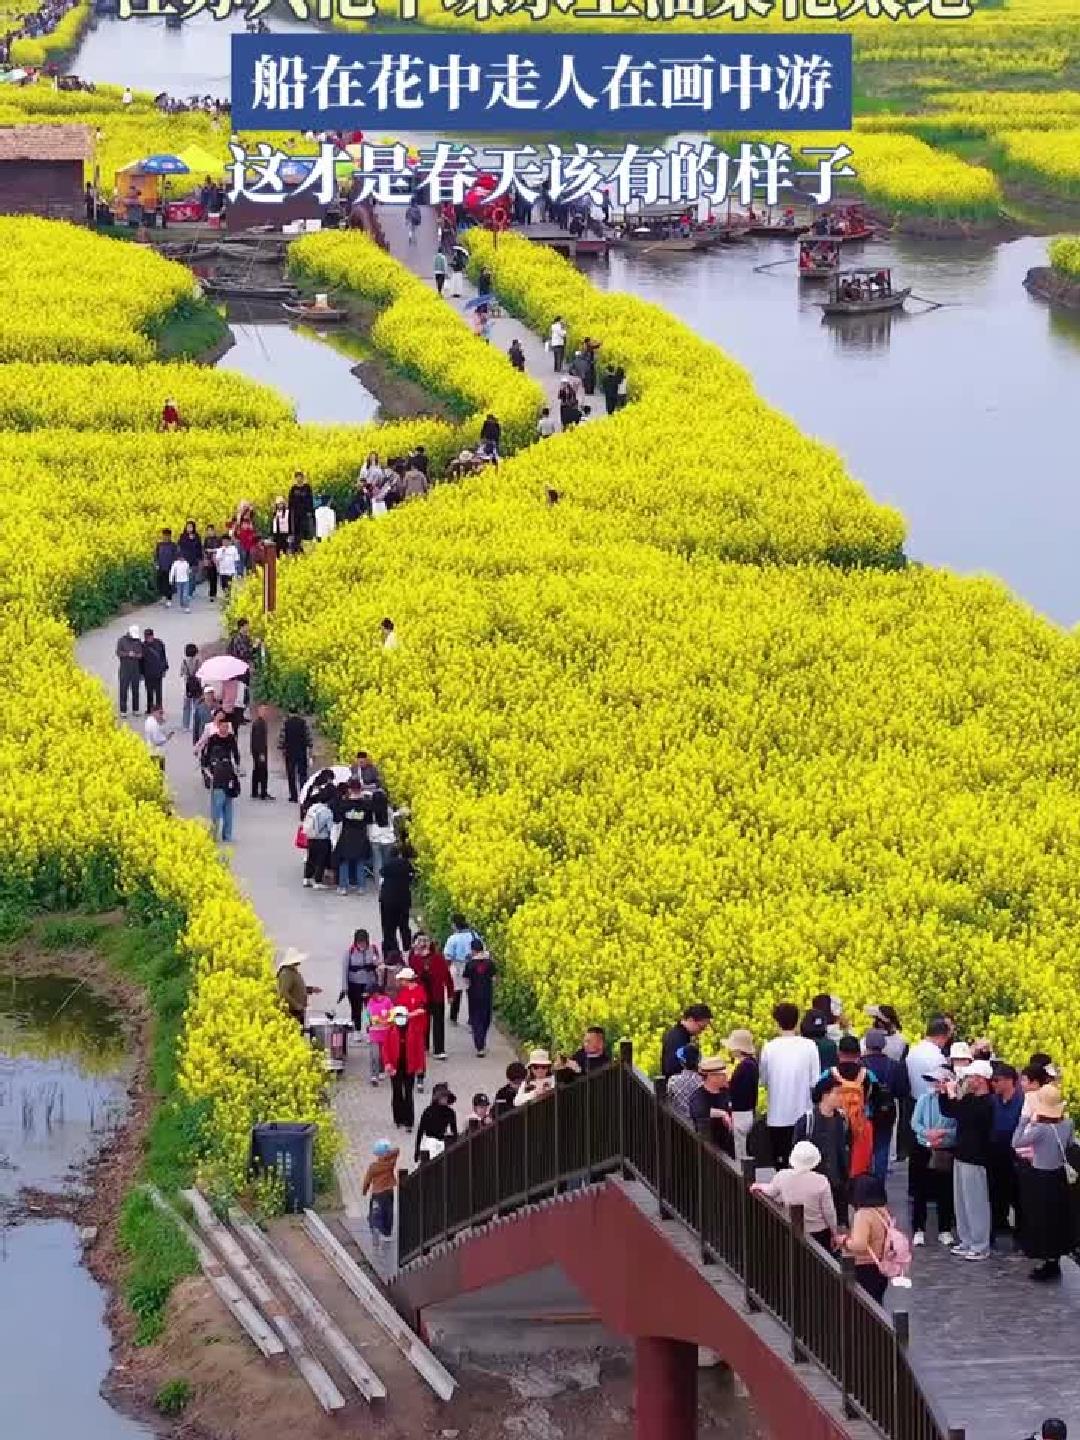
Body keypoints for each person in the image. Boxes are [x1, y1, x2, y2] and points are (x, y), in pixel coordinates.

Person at [1013, 1085, 1075, 1282]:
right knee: (1056, 1220)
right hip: (1059, 1177)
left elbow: (1016, 1142)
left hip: (1040, 1178)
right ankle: (1054, 1259)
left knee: (1040, 1220)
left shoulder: (1040, 1130)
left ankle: (1046, 1260)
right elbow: (1069, 1145)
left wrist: (1023, 1120)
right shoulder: (1068, 1124)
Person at [938, 1058, 994, 1260]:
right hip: (961, 1154)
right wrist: (945, 1094)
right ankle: (966, 1239)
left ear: (980, 1079)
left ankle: (980, 1244)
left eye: (970, 1077)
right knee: (961, 1201)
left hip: (976, 1157)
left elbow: (967, 1116)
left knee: (975, 1202)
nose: (967, 1080)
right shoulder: (970, 1099)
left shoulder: (987, 1103)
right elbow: (951, 1111)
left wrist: (953, 1094)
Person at [760, 1001, 822, 1170]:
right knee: (803, 1165)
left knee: (781, 1165)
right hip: (803, 1115)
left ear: (776, 1022)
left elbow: (763, 1080)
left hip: (776, 1116)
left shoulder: (769, 1048)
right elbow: (815, 1082)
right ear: (797, 1021)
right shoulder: (810, 1046)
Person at [752, 1141, 839, 1251]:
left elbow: (771, 1191)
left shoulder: (783, 1175)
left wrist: (758, 1186)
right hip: (818, 1231)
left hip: (792, 1227)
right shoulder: (821, 1181)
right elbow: (829, 1211)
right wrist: (834, 1233)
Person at [909, 1065, 957, 1247]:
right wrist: (927, 1134)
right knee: (920, 1191)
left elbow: (958, 1127)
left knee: (945, 1191)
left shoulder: (954, 1102)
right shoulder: (924, 1099)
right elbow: (915, 1122)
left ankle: (944, 1230)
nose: (936, 1084)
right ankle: (918, 1229)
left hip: (945, 1150)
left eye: (940, 1081)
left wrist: (943, 1134)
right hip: (923, 1148)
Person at [794, 1075, 851, 1227]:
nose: (841, 1097)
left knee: (838, 1225)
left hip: (837, 1183)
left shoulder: (842, 1120)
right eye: (837, 1093)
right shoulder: (807, 1121)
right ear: (825, 1095)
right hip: (813, 1184)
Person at [861, 1028, 910, 1183]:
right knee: (882, 1148)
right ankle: (878, 1185)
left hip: (864, 1111)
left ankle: (865, 1184)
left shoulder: (860, 1064)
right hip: (887, 1110)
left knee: (865, 1148)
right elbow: (903, 1091)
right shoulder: (895, 1066)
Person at [841, 1174, 898, 1304]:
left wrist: (844, 1241)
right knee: (877, 1304)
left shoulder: (863, 1214)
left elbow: (859, 1244)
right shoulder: (883, 1211)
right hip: (881, 1264)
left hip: (864, 1267)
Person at [989, 1061, 1024, 1247]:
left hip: (1014, 1153)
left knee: (1017, 1195)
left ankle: (1021, 1235)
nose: (993, 1084)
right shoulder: (993, 1101)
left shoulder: (1022, 1101)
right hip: (995, 1152)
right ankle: (998, 1225)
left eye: (997, 1080)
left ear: (1009, 1081)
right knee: (996, 1192)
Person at [198, 713, 241, 843]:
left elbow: (236, 755)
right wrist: (208, 773)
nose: (224, 729)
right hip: (217, 777)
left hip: (229, 775)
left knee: (228, 807)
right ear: (218, 726)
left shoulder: (231, 739)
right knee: (216, 807)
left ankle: (227, 834)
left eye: (226, 727)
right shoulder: (213, 739)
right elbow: (205, 758)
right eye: (222, 726)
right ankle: (214, 834)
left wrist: (237, 769)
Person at [411, 933, 452, 1061]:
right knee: (423, 1022)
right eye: (420, 941)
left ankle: (439, 1049)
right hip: (421, 996)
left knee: (438, 1023)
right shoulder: (414, 959)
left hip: (437, 995)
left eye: (426, 941)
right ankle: (423, 1046)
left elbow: (447, 976)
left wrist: (450, 993)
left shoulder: (438, 958)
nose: (423, 944)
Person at [382, 1006, 423, 1131]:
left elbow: (419, 1049)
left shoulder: (414, 1030)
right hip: (395, 1066)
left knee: (409, 1094)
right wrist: (387, 1063)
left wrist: (420, 1067)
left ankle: (409, 1121)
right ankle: (398, 1119)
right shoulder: (391, 1030)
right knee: (397, 1092)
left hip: (409, 1066)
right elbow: (385, 1049)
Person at [721, 1028, 759, 1161]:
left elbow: (739, 1091)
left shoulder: (746, 1066)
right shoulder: (751, 1064)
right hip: (747, 1112)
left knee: (740, 1151)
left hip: (741, 1113)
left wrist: (727, 1085)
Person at [332, 778, 373, 893]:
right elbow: (369, 820)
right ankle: (361, 887)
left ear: (349, 789)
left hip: (347, 834)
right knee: (360, 861)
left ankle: (343, 887)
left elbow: (337, 818)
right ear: (361, 789)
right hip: (361, 835)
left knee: (344, 861)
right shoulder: (366, 804)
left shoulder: (344, 804)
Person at [392, 964, 429, 1090]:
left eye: (402, 979)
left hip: (418, 1027)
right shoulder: (403, 992)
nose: (400, 982)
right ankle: (409, 1072)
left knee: (419, 1052)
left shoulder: (420, 990)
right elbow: (397, 1007)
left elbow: (423, 1009)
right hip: (405, 1028)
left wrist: (409, 1015)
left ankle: (420, 1077)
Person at [688, 1056, 733, 1156]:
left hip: (729, 1148)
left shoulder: (726, 1092)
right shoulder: (699, 1096)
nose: (726, 1077)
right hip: (710, 1151)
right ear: (711, 1076)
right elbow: (699, 1111)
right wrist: (722, 1114)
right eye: (722, 1075)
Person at [340, 927, 382, 1031]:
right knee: (356, 1009)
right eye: (359, 943)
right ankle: (357, 1030)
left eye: (364, 942)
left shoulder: (373, 949)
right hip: (354, 984)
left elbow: (380, 965)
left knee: (370, 1009)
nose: (362, 945)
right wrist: (345, 988)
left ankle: (370, 1029)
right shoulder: (350, 952)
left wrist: (375, 966)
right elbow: (345, 970)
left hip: (370, 984)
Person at [660, 1003, 713, 1078]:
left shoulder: (681, 1035)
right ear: (690, 1020)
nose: (701, 1031)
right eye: (701, 1027)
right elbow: (673, 1068)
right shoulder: (677, 1037)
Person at [462, 938, 496, 1057]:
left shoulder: (470, 964)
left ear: (473, 950)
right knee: (486, 1019)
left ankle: (480, 1046)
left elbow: (466, 979)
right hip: (487, 995)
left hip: (473, 996)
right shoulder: (490, 963)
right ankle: (482, 1042)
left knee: (476, 1020)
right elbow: (494, 978)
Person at [443, 913, 477, 1025]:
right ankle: (472, 1019)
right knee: (471, 993)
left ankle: (453, 1018)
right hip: (472, 965)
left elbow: (448, 955)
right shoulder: (474, 935)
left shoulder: (453, 938)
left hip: (457, 966)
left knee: (456, 992)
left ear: (455, 924)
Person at [379, 843, 413, 954]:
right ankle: (407, 948)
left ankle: (392, 950)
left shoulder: (387, 865)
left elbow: (382, 873)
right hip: (403, 901)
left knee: (389, 928)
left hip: (387, 900)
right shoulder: (406, 864)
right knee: (404, 926)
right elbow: (412, 877)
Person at [362, 1139, 398, 1244]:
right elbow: (397, 1150)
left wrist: (364, 1190)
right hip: (388, 1192)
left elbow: (367, 1179)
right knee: (388, 1212)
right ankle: (387, 1233)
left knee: (375, 1211)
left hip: (376, 1193)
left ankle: (375, 1226)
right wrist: (387, 1153)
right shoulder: (390, 1163)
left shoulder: (373, 1167)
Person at [415, 1082, 458, 1162]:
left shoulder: (450, 1112)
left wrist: (455, 1146)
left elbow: (454, 1131)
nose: (444, 1099)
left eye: (446, 1096)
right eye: (442, 1097)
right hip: (429, 1143)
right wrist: (417, 1150)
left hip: (442, 1142)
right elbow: (420, 1131)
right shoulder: (428, 1111)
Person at [276, 948, 319, 1027]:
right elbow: (283, 992)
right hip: (292, 1013)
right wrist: (296, 1005)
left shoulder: (293, 971)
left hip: (299, 1012)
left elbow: (297, 988)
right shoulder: (286, 974)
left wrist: (311, 989)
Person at [301, 794, 334, 887]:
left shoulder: (312, 807)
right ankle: (317, 881)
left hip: (311, 836)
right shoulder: (327, 811)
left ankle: (307, 878)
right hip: (322, 839)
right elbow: (329, 827)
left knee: (310, 858)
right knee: (320, 860)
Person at [281, 706, 312, 802]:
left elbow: (282, 738)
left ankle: (293, 796)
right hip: (301, 751)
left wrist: (282, 749)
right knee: (302, 774)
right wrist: (309, 749)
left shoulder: (286, 723)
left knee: (291, 774)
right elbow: (308, 737)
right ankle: (303, 793)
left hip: (290, 752)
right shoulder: (303, 723)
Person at [364, 982, 393, 1086]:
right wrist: (368, 1022)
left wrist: (387, 1021)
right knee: (374, 1055)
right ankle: (373, 1075)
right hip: (374, 1033)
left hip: (385, 1033)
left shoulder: (387, 1001)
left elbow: (392, 1015)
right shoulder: (370, 1002)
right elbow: (366, 1015)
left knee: (382, 1054)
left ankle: (381, 1070)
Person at [666, 1044, 702, 1120]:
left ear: (682, 1062)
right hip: (699, 1124)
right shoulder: (703, 1081)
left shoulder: (673, 1081)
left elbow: (669, 1101)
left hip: (679, 1124)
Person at [116, 624, 143, 716]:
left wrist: (136, 655)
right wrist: (128, 654)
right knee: (123, 690)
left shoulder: (138, 641)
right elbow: (118, 652)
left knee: (136, 690)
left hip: (135, 669)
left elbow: (141, 654)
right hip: (124, 668)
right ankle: (123, 710)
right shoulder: (121, 641)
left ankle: (136, 709)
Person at [140, 628, 168, 713]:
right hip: (147, 672)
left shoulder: (159, 643)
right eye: (146, 637)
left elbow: (163, 657)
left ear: (152, 635)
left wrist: (164, 669)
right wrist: (141, 673)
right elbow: (140, 661)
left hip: (157, 672)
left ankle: (159, 707)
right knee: (149, 691)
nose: (148, 638)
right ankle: (150, 708)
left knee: (158, 690)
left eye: (149, 636)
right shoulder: (143, 645)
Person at [248, 702, 272, 800]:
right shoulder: (259, 723)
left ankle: (255, 791)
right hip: (259, 751)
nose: (265, 712)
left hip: (257, 750)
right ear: (259, 711)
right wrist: (261, 753)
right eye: (263, 710)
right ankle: (263, 792)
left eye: (266, 710)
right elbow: (258, 740)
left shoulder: (260, 722)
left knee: (257, 770)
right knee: (262, 771)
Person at [288, 471, 316, 543]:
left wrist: (310, 511)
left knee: (305, 530)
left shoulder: (307, 487)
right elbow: (290, 502)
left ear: (303, 478)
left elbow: (310, 500)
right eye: (297, 477)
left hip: (305, 513)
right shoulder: (293, 489)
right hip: (296, 514)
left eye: (300, 477)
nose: (299, 479)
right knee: (297, 531)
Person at [179, 643, 201, 731]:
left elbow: (181, 673)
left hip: (187, 686)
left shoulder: (184, 661)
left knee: (186, 706)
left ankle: (185, 725)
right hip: (197, 686)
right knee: (197, 706)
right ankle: (197, 724)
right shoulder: (198, 661)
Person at [143, 705, 172, 770]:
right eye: (160, 713)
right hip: (157, 751)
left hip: (150, 749)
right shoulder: (154, 724)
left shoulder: (149, 720)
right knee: (160, 769)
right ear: (154, 713)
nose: (161, 715)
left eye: (162, 713)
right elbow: (156, 740)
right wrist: (167, 738)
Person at [154, 527, 178, 605]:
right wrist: (157, 563)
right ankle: (163, 597)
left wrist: (174, 566)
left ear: (170, 536)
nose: (165, 537)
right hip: (161, 566)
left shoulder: (173, 545)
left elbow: (175, 556)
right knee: (161, 582)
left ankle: (169, 598)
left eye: (167, 536)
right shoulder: (159, 545)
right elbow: (156, 555)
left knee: (169, 583)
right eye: (164, 536)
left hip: (170, 567)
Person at [202, 523, 221, 600]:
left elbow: (220, 548)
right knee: (210, 576)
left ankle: (214, 592)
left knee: (215, 577)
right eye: (208, 530)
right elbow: (204, 549)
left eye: (211, 530)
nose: (210, 532)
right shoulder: (206, 539)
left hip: (216, 560)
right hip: (209, 560)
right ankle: (211, 593)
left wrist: (213, 550)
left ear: (214, 531)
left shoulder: (218, 539)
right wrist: (205, 558)